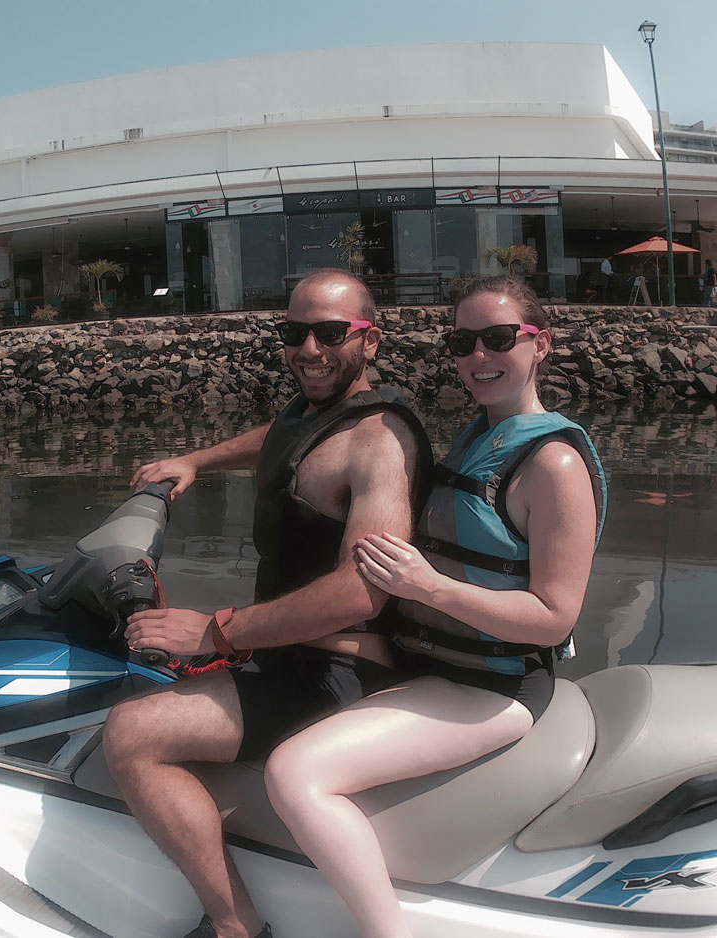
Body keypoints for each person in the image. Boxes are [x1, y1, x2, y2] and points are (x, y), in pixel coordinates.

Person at [261, 275, 606, 938]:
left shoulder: (553, 464)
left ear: (541, 345)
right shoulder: (483, 433)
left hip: (489, 686)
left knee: (296, 774)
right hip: (431, 665)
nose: (478, 354)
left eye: (498, 338)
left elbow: (555, 616)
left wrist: (429, 587)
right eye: (461, 341)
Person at [105, 268, 431, 938]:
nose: (309, 349)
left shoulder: (379, 441)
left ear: (370, 341)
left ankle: (234, 924)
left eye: (330, 333)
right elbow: (277, 441)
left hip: (338, 671)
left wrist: (217, 631)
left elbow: (360, 590)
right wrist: (195, 459)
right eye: (294, 332)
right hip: (289, 653)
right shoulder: (314, 412)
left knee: (131, 737)